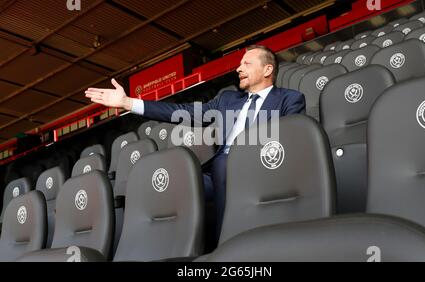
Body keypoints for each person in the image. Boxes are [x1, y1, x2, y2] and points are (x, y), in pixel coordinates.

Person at [85, 45, 305, 244]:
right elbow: (182, 113)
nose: (238, 68)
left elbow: (289, 142)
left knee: (225, 164)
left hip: (261, 167)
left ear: (267, 70)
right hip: (219, 173)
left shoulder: (289, 98)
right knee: (170, 185)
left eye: (246, 63)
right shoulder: (227, 99)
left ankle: (225, 246)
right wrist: (127, 102)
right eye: (239, 64)